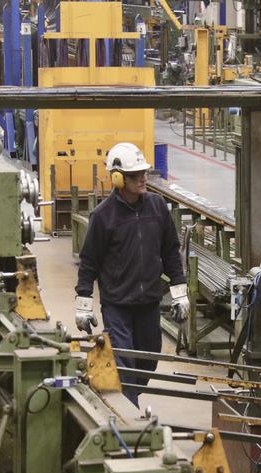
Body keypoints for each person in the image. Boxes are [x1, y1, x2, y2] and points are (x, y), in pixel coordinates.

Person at [74, 142, 189, 406]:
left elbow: (171, 252)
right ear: (118, 178)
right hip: (117, 305)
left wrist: (180, 293)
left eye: (144, 173)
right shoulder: (103, 217)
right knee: (124, 362)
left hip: (149, 303)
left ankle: (129, 398)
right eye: (136, 175)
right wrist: (83, 304)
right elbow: (89, 262)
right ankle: (130, 415)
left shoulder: (157, 207)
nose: (143, 179)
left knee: (148, 360)